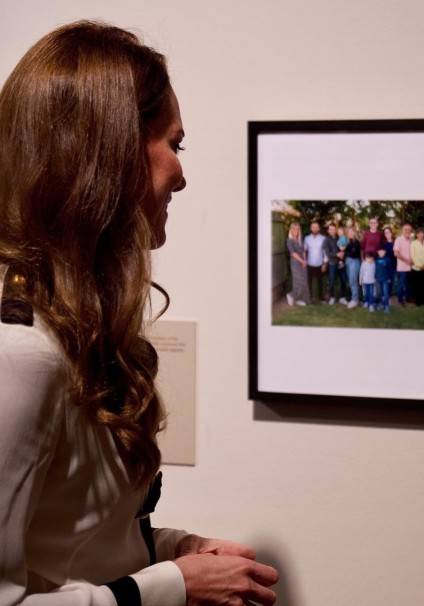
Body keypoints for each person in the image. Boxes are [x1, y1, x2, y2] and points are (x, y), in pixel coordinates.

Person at [0, 21, 278, 606]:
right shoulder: (21, 350)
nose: (181, 173)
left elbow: (70, 536)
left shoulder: (74, 321)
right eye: (174, 144)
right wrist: (173, 586)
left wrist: (174, 546)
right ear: (110, 150)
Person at [285, 222, 311, 306]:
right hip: (296, 263)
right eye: (294, 229)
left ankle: (300, 299)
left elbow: (303, 251)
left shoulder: (300, 240)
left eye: (297, 229)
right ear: (291, 230)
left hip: (303, 262)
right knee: (298, 281)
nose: (295, 230)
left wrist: (305, 260)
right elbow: (293, 253)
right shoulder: (289, 240)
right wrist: (302, 261)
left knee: (304, 281)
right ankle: (291, 295)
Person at [322, 223, 347, 305]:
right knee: (331, 281)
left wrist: (343, 253)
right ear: (328, 230)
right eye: (330, 229)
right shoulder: (326, 240)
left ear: (335, 230)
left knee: (343, 280)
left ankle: (342, 297)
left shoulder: (339, 237)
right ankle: (332, 297)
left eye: (334, 229)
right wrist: (336, 254)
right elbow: (327, 252)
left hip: (341, 263)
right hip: (332, 263)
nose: (332, 231)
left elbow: (344, 247)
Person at [303, 220, 325, 303]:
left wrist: (324, 263)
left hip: (320, 263)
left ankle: (321, 297)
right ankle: (309, 297)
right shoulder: (307, 238)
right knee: (309, 282)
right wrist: (304, 260)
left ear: (319, 228)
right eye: (313, 227)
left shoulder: (323, 238)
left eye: (316, 227)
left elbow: (325, 252)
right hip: (310, 263)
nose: (315, 229)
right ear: (311, 228)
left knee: (320, 282)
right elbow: (304, 250)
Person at [393, 222, 413, 306]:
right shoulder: (398, 239)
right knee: (401, 284)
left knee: (409, 284)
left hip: (411, 266)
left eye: (409, 229)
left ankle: (408, 298)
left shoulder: (411, 240)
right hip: (402, 267)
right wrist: (406, 260)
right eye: (406, 229)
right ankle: (400, 300)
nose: (407, 231)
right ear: (402, 230)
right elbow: (396, 253)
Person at [410, 228, 424, 306]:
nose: (421, 235)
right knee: (417, 285)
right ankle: (417, 301)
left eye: (422, 233)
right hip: (416, 268)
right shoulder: (413, 243)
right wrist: (419, 265)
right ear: (416, 235)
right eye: (419, 233)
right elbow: (412, 256)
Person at [344, 226, 361, 309]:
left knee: (353, 281)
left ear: (354, 233)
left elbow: (354, 253)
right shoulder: (347, 242)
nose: (350, 233)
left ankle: (355, 300)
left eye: (352, 232)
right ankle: (354, 299)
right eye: (349, 232)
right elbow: (346, 252)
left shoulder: (356, 242)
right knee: (350, 281)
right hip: (348, 262)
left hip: (354, 262)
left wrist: (345, 252)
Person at [375, 248, 391, 313]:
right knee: (380, 293)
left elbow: (390, 269)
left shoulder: (387, 260)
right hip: (378, 279)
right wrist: (375, 277)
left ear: (385, 252)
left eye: (382, 252)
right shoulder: (376, 260)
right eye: (379, 251)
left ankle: (386, 306)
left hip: (385, 279)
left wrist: (389, 278)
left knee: (385, 293)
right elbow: (376, 269)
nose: (381, 253)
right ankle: (382, 304)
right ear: (377, 252)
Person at [382, 226, 396, 298]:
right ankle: (387, 295)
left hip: (395, 265)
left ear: (391, 233)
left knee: (394, 280)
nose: (387, 234)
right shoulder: (384, 244)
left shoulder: (396, 242)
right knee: (388, 280)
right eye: (385, 233)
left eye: (388, 232)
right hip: (387, 265)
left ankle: (393, 295)